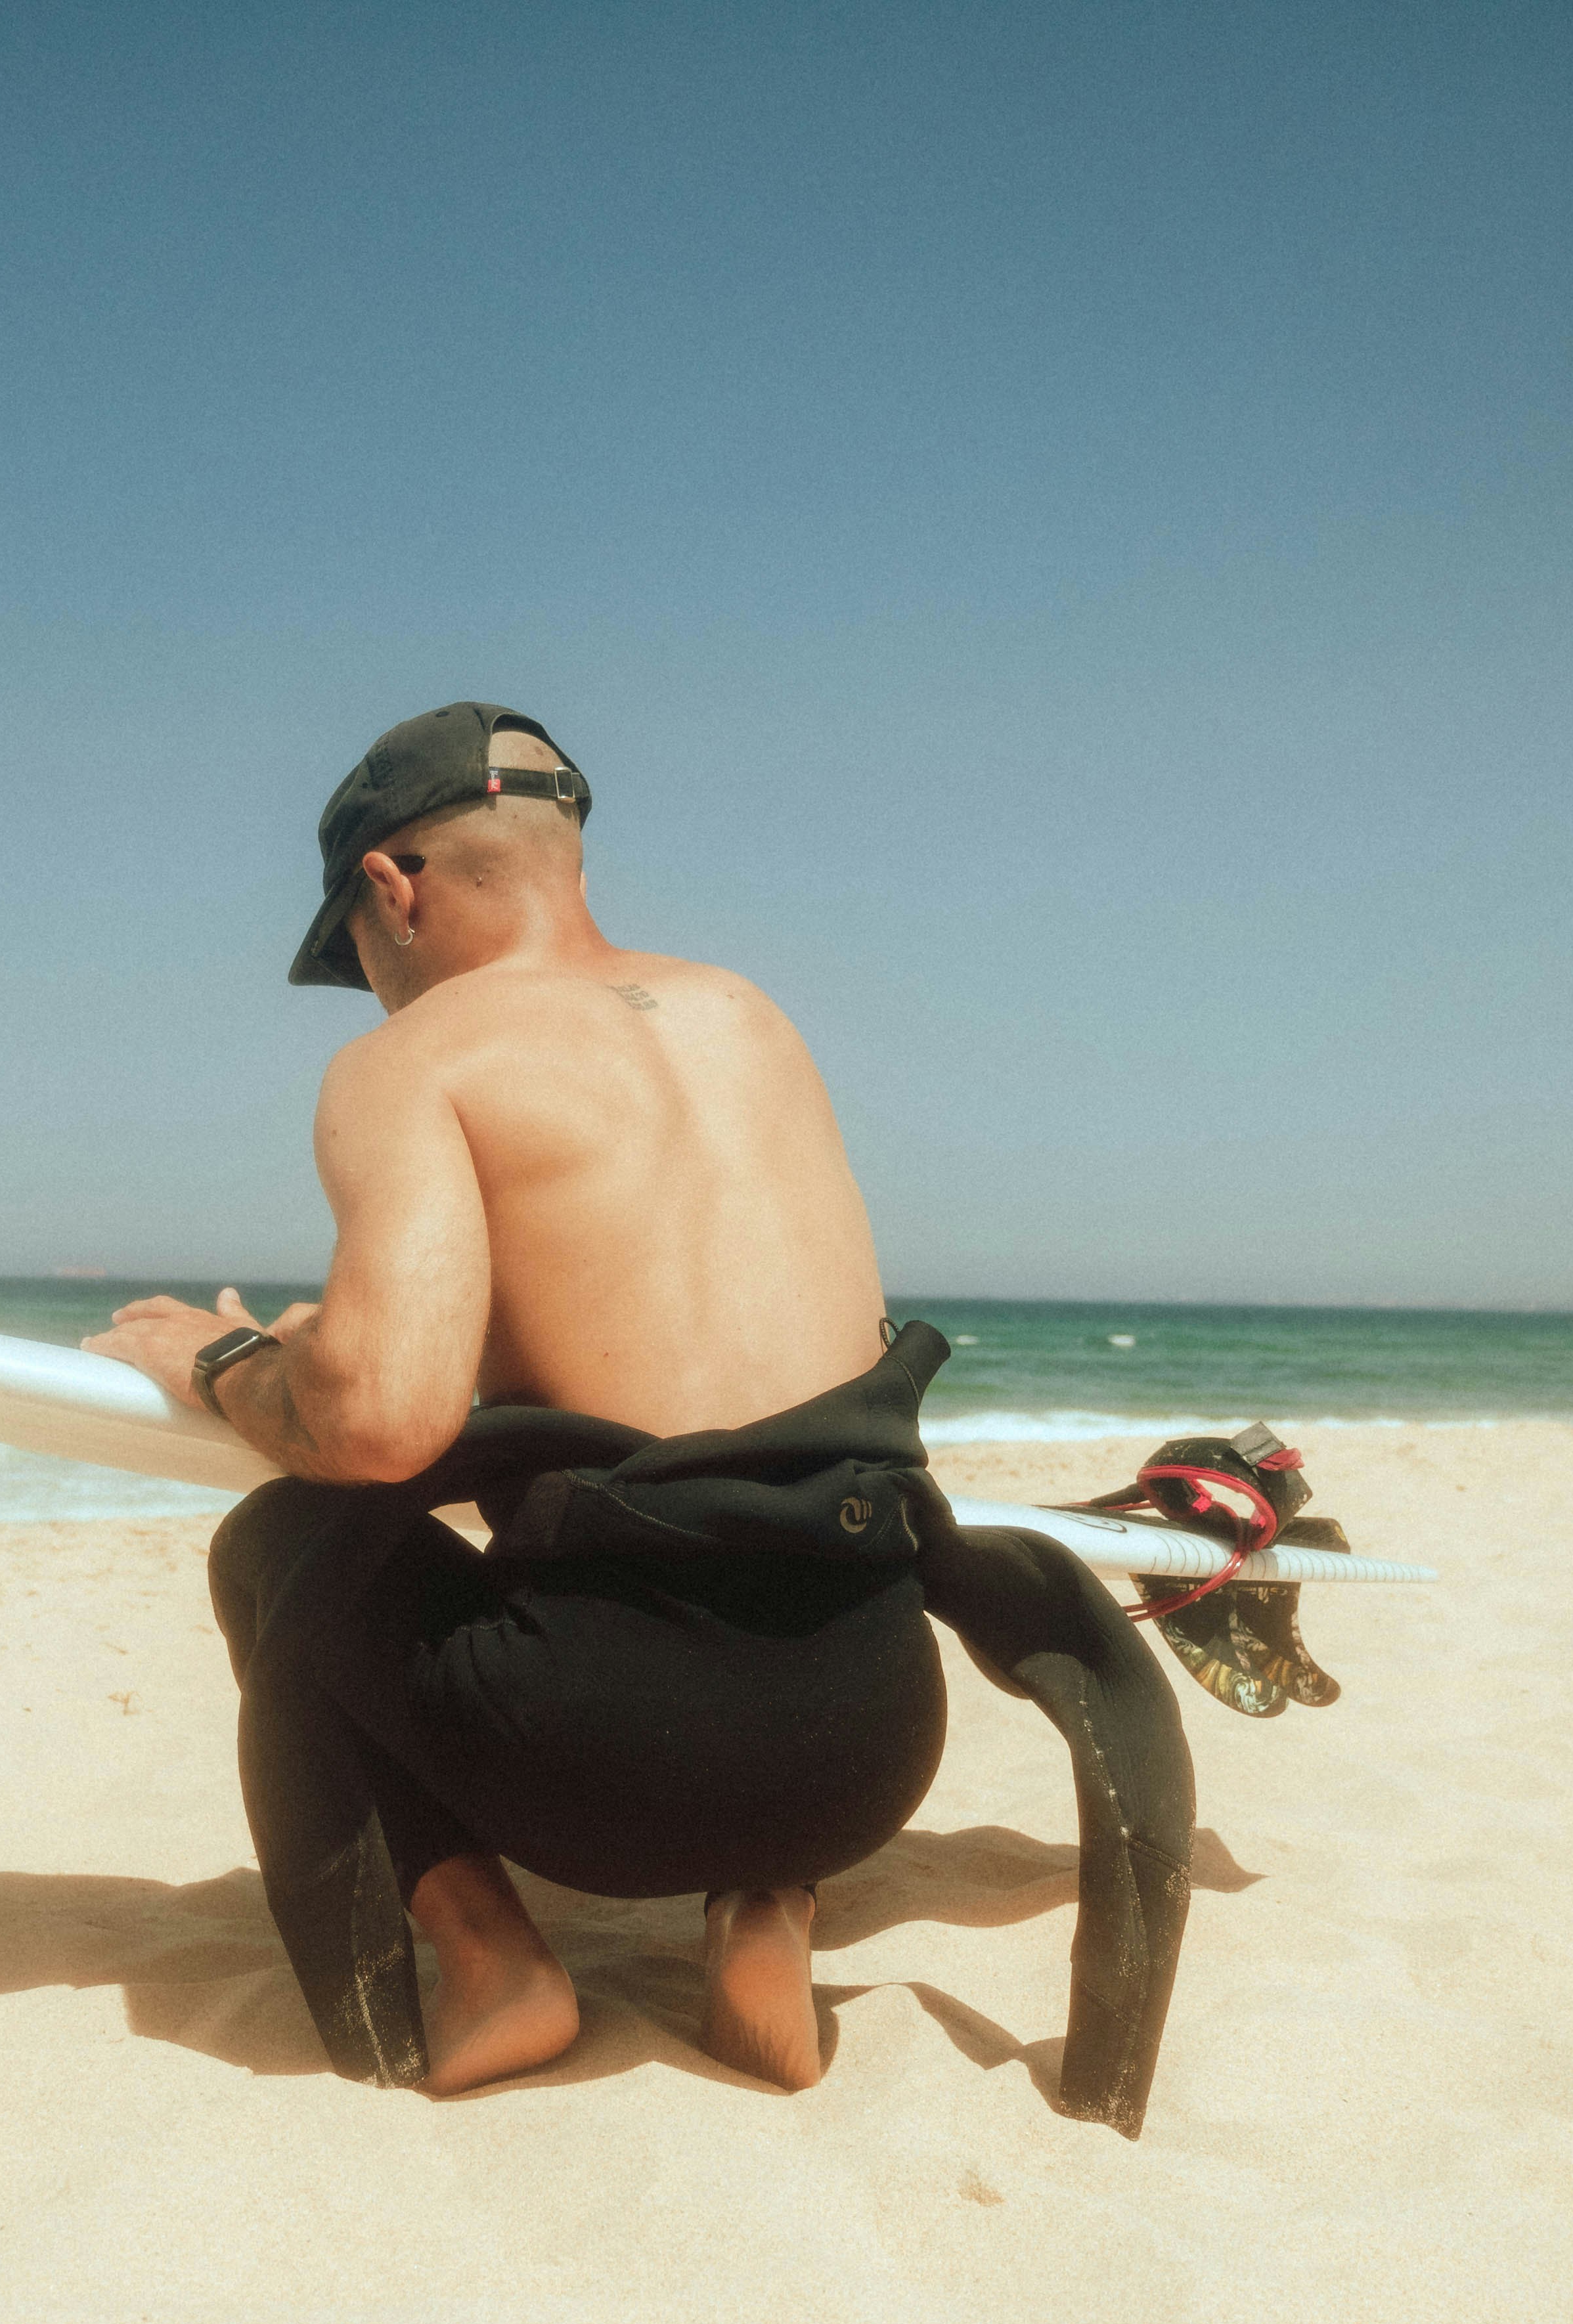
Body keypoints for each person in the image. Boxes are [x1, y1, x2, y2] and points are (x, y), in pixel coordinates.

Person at [82, 702, 955, 2095]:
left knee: (278, 1549)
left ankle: (494, 1961)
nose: (371, 984)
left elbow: (379, 1422)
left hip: (619, 1761)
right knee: (748, 1525)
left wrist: (219, 1357)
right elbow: (714, 1359)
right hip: (874, 1734)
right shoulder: (750, 1018)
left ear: (391, 886)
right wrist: (346, 1337)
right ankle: (766, 1906)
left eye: (355, 952)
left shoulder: (415, 1059)